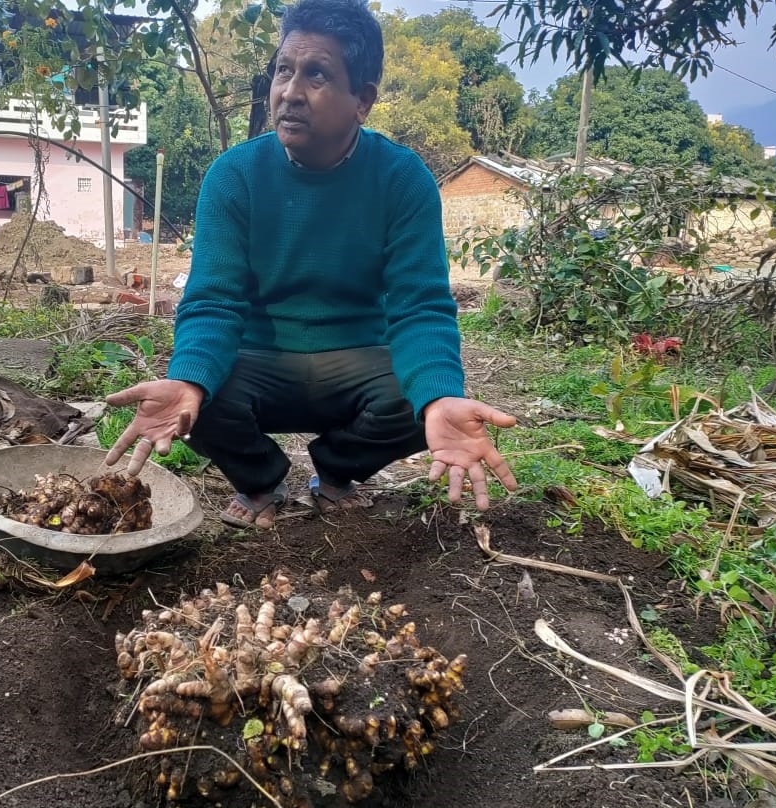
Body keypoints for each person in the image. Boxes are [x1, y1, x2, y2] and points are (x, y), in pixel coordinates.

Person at [105, 0, 518, 528]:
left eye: (316, 74)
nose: (289, 93)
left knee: (423, 401)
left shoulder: (402, 178)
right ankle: (261, 480)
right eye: (283, 70)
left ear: (362, 100)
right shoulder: (234, 176)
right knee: (193, 401)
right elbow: (214, 298)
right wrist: (188, 378)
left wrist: (440, 395)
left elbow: (420, 306)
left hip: (358, 357)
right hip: (260, 358)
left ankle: (336, 471)